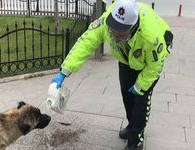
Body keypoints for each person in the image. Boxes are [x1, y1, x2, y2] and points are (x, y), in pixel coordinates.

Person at [51, 0, 173, 150]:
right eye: (112, 30)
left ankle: (137, 139)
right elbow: (85, 43)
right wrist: (64, 71)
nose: (114, 35)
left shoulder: (151, 37)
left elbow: (155, 66)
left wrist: (140, 85)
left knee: (141, 102)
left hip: (148, 65)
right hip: (126, 60)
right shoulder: (106, 22)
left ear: (133, 27)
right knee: (127, 97)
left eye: (120, 33)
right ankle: (131, 125)